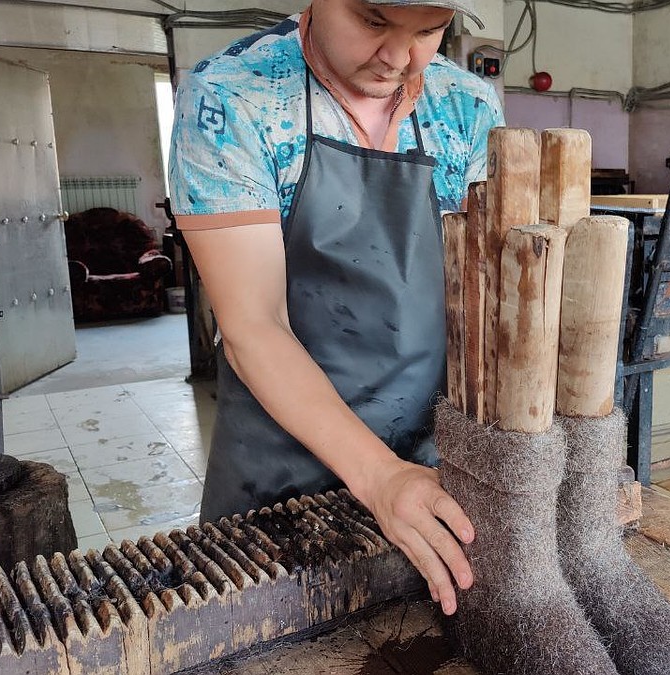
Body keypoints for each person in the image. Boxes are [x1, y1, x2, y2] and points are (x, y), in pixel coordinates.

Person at [167, 0, 503, 617]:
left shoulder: (469, 108)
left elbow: (478, 297)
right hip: (279, 475)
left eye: (429, 31)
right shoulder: (232, 99)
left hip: (425, 463)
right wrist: (377, 477)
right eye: (374, 21)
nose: (399, 58)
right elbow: (253, 327)